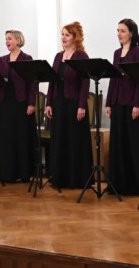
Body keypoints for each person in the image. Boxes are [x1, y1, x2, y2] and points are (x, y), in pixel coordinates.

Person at [105, 18, 139, 196]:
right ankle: (119, 184)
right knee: (119, 144)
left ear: (131, 32)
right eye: (117, 30)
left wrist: (137, 103)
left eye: (122, 31)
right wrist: (109, 102)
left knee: (134, 144)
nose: (119, 34)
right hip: (117, 104)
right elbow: (113, 78)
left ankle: (138, 184)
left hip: (133, 104)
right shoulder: (117, 53)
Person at [45, 22, 92, 189]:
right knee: (59, 139)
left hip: (74, 104)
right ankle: (59, 177)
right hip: (58, 103)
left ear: (75, 37)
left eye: (67, 35)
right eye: (62, 34)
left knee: (75, 140)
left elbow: (85, 83)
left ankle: (76, 178)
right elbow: (52, 80)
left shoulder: (81, 56)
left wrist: (82, 106)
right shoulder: (58, 56)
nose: (63, 38)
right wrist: (48, 103)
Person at [0, 29, 36, 183]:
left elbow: (31, 83)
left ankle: (24, 172)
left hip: (22, 102)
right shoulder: (2, 59)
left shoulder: (27, 58)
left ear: (18, 40)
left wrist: (31, 103)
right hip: (6, 102)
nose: (7, 41)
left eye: (10, 38)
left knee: (21, 137)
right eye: (6, 39)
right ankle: (7, 172)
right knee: (7, 137)